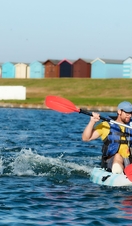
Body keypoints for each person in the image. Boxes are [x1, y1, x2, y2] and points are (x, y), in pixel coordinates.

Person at [82, 101, 132, 174]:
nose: (129, 116)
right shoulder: (106, 125)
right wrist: (92, 122)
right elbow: (86, 138)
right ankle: (118, 173)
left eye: (131, 113)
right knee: (117, 156)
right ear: (119, 112)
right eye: (127, 113)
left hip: (129, 160)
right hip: (112, 161)